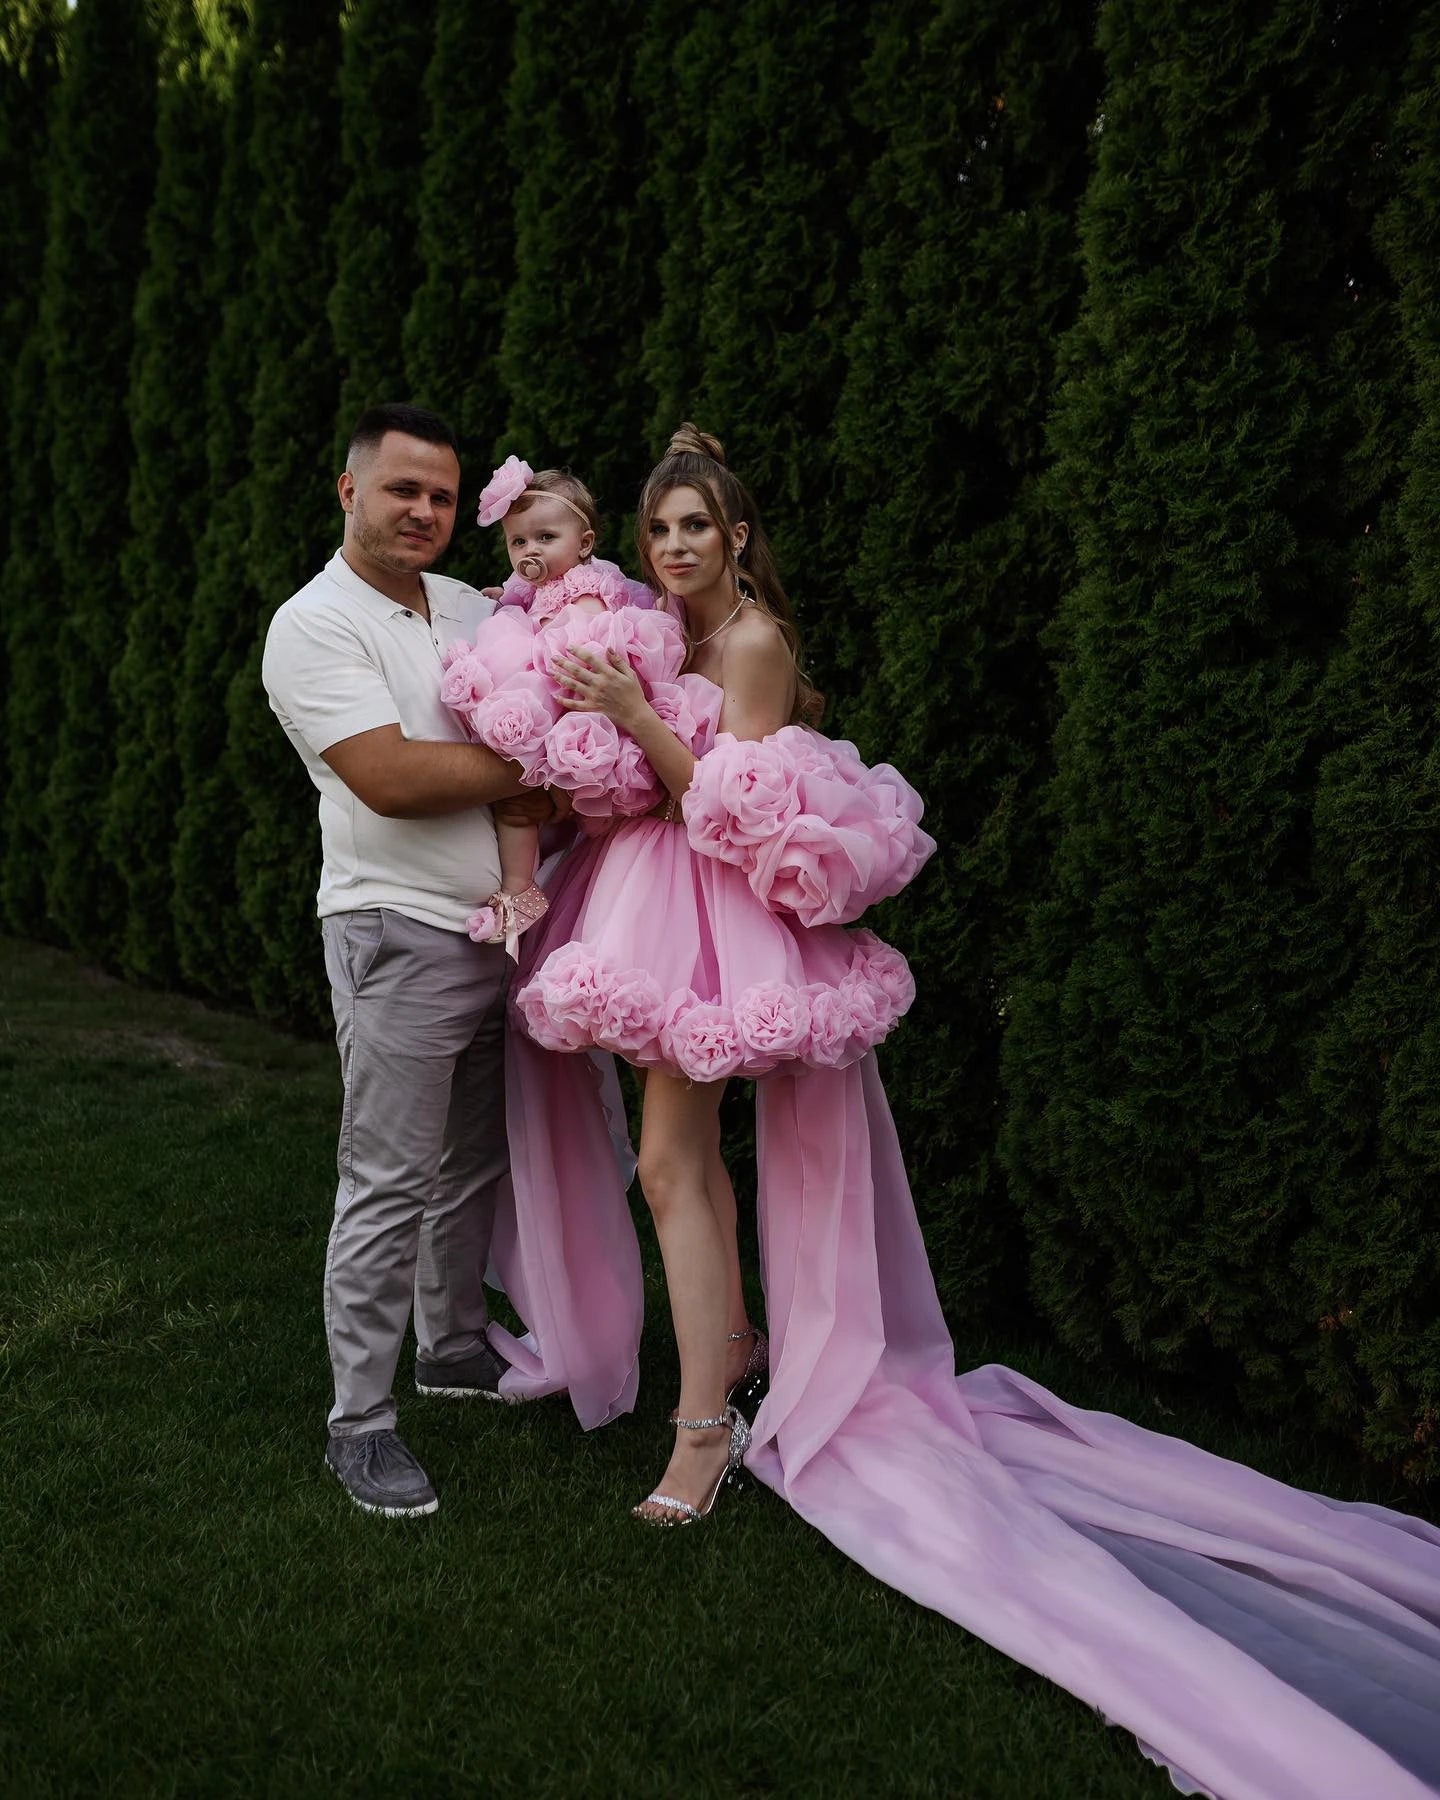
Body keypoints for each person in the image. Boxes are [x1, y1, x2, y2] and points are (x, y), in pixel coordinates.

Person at [492, 425, 1440, 1798]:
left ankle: (708, 1426)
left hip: (712, 916)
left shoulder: (748, 643)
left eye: (699, 528)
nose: (677, 550)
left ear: (741, 538)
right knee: (670, 1163)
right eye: (660, 533)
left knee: (667, 1159)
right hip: (645, 900)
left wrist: (639, 724)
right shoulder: (656, 626)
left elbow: (737, 815)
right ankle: (730, 1353)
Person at [261, 402, 555, 1519]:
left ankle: (452, 1343)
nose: (425, 510)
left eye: (441, 494)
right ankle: (361, 1425)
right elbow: (388, 775)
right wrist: (530, 759)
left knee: (474, 1158)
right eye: (402, 490)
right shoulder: (313, 625)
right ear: (350, 493)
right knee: (387, 1180)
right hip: (395, 929)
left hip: (498, 928)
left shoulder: (476, 606)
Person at [460, 456, 650, 956]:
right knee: (516, 805)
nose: (530, 551)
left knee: (525, 802)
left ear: (583, 544)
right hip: (550, 709)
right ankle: (520, 887)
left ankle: (523, 885)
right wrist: (506, 595)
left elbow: (586, 642)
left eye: (545, 538)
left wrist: (534, 636)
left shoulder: (590, 587)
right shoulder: (537, 586)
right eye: (518, 541)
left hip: (578, 706)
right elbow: (524, 593)